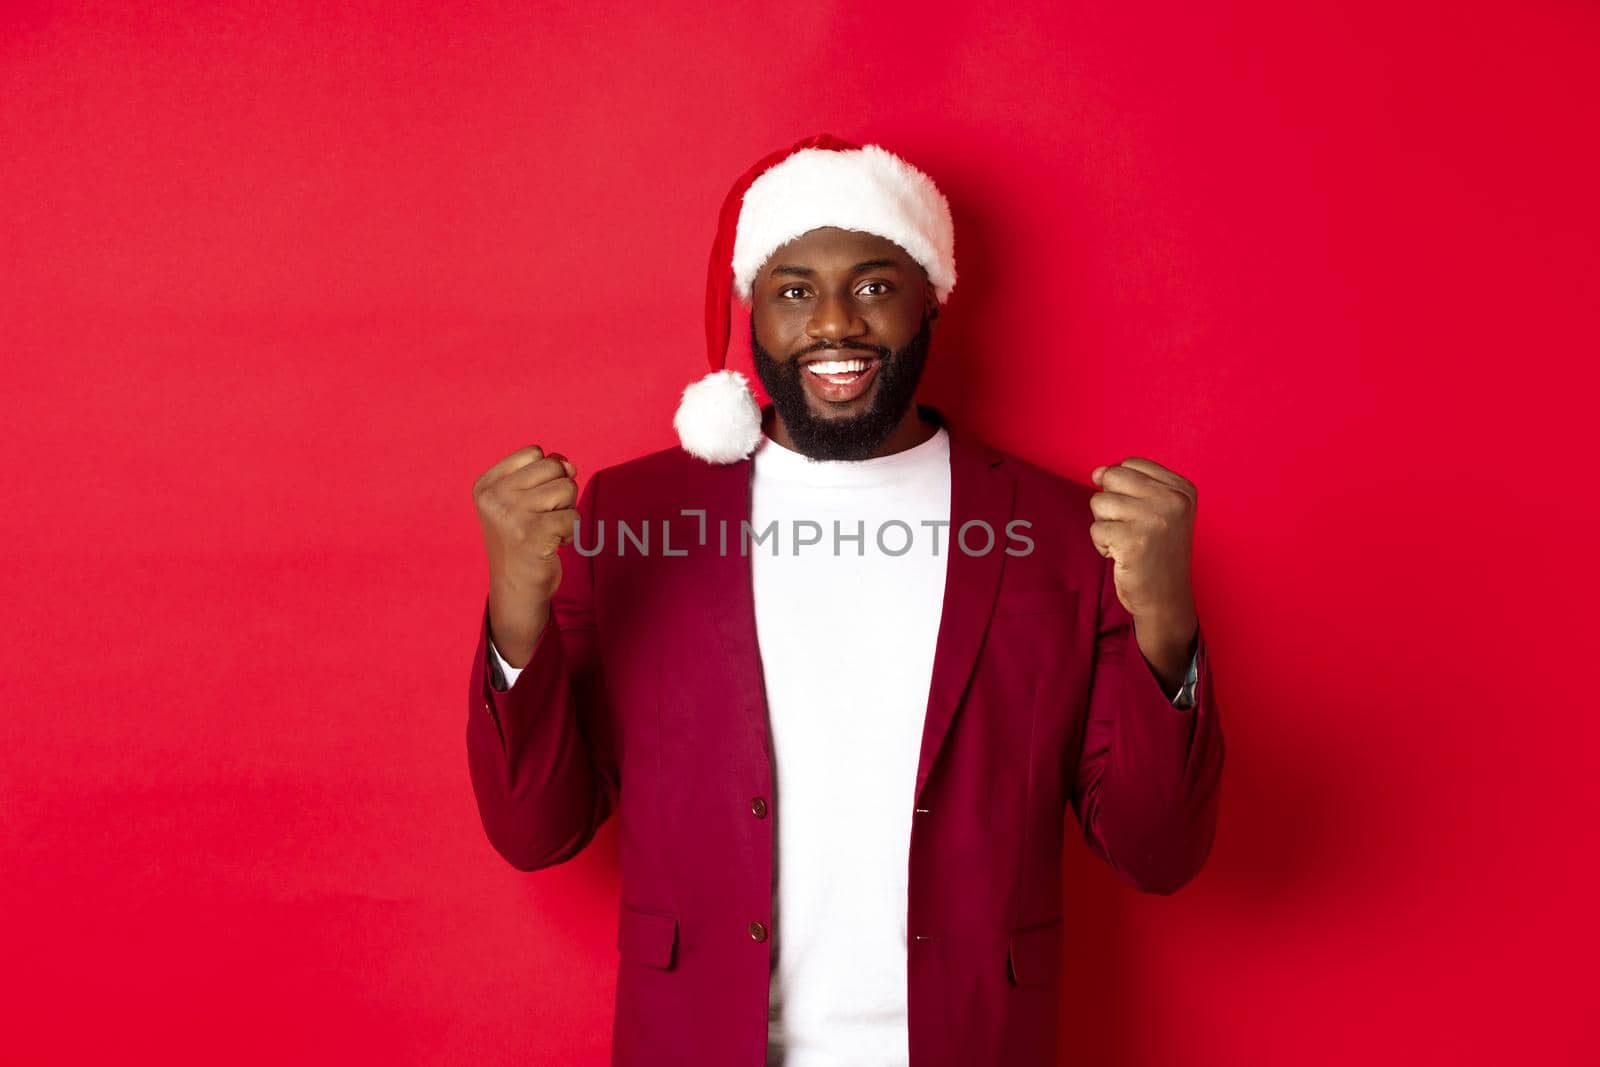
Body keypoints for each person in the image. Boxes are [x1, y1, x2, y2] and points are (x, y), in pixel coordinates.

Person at [466, 133, 1225, 1067]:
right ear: (753, 311)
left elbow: (1159, 851)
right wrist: (517, 612)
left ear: (930, 301)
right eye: (794, 290)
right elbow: (537, 830)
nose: (836, 322)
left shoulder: (1067, 530)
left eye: (874, 284)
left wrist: (1165, 621)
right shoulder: (634, 514)